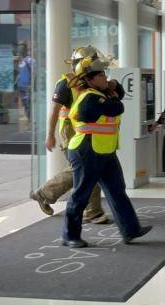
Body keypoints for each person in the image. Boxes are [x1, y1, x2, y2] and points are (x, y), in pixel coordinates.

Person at [62, 57, 152, 248]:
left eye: (105, 73)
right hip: (86, 150)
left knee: (117, 191)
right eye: (101, 75)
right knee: (81, 194)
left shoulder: (99, 93)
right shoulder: (89, 98)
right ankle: (69, 235)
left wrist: (112, 89)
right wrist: (111, 94)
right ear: (89, 79)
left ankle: (130, 230)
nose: (105, 77)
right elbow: (117, 106)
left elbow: (118, 94)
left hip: (104, 151)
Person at [29, 46, 110, 225]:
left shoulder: (88, 82)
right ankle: (92, 211)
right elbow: (54, 111)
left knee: (85, 169)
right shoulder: (66, 83)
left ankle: (47, 194)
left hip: (87, 132)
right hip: (71, 133)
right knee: (84, 168)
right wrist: (49, 134)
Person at [15, 42, 35, 120]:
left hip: (27, 86)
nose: (20, 51)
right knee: (24, 103)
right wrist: (16, 82)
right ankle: (27, 118)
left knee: (28, 102)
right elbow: (20, 73)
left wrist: (32, 83)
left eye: (21, 49)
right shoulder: (20, 61)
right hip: (21, 86)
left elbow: (34, 73)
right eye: (19, 49)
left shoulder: (30, 60)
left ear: (25, 50)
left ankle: (29, 118)